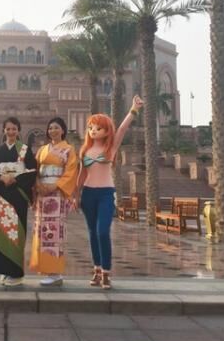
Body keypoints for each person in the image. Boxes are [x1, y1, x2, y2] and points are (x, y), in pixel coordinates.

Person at [78, 95, 143, 290]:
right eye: (91, 127)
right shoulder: (85, 150)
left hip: (106, 194)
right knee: (92, 233)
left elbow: (121, 129)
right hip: (88, 194)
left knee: (102, 231)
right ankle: (97, 270)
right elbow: (82, 174)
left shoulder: (110, 148)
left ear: (106, 131)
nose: (93, 130)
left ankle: (106, 272)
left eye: (98, 128)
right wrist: (74, 194)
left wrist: (133, 110)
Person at [0, 117, 37, 286]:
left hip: (18, 195)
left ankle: (16, 274)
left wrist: (15, 179)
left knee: (16, 234)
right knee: (3, 233)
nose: (11, 132)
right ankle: (5, 270)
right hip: (2, 196)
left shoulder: (25, 150)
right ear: (3, 130)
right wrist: (1, 177)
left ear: (18, 130)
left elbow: (32, 171)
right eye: (8, 129)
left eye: (14, 129)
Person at [30, 117, 78, 286]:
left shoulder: (68, 150)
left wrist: (55, 185)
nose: (53, 131)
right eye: (50, 128)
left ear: (63, 130)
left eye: (56, 127)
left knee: (54, 233)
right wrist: (37, 184)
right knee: (42, 232)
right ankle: (46, 269)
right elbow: (35, 170)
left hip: (56, 195)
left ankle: (55, 273)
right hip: (42, 194)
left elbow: (71, 172)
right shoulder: (42, 150)